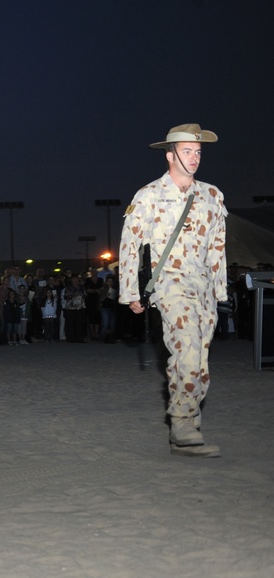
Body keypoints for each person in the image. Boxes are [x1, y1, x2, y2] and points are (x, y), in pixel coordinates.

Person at [118, 123, 227, 458]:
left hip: (204, 288)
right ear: (170, 155)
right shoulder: (149, 195)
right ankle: (181, 424)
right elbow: (130, 244)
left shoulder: (212, 195)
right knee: (188, 348)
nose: (194, 158)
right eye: (186, 151)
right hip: (170, 284)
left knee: (198, 359)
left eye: (197, 152)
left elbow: (217, 247)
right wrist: (130, 291)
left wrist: (220, 291)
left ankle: (189, 420)